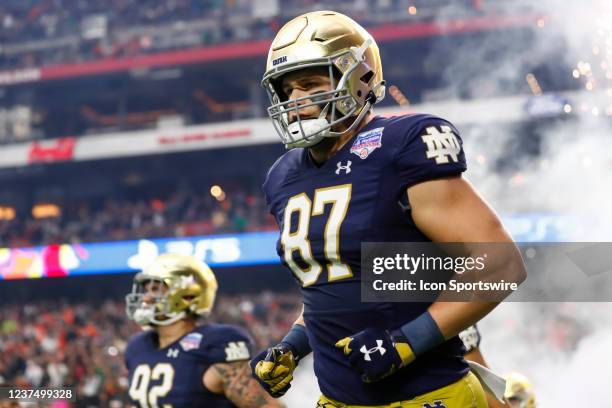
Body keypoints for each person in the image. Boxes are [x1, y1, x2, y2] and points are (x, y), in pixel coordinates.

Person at [250, 10, 526, 407]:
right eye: (286, 88)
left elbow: (500, 265)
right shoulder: (282, 176)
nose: (295, 100)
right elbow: (335, 286)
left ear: (359, 80)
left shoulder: (400, 144)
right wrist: (293, 346)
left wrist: (406, 343)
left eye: (310, 83)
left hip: (428, 397)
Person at [124, 253, 283, 408]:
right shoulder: (138, 346)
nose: (146, 298)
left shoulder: (212, 343)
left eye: (155, 289)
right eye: (146, 290)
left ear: (188, 296)